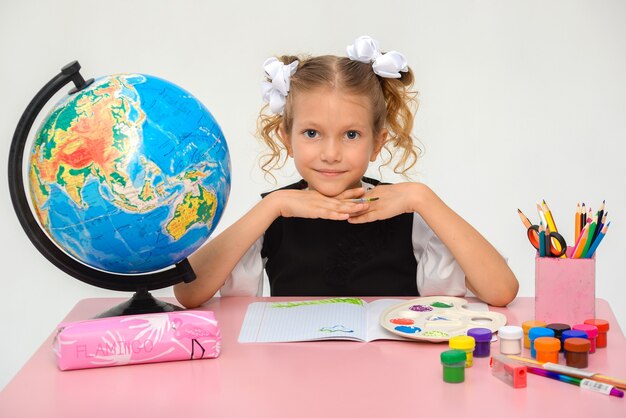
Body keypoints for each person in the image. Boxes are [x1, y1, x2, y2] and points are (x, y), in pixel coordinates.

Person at [174, 35, 518, 308]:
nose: (331, 154)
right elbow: (189, 295)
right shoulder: (276, 212)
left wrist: (423, 197)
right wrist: (272, 206)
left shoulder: (403, 208)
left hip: (389, 376)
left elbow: (501, 291)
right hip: (294, 375)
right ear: (287, 138)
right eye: (312, 133)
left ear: (378, 142)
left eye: (351, 135)